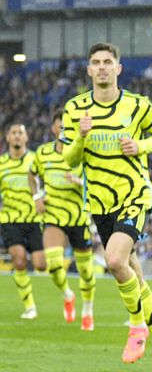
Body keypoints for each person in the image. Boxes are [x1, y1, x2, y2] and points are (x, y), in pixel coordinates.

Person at [60, 42, 152, 372]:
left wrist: (140, 145)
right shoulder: (75, 109)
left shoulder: (138, 106)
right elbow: (68, 158)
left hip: (134, 195)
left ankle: (137, 325)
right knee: (134, 276)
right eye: (95, 62)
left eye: (107, 62)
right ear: (88, 69)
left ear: (118, 68)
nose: (101, 67)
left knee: (113, 260)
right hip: (98, 202)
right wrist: (81, 137)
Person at [28, 112, 97, 330]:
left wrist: (79, 182)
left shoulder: (84, 153)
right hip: (54, 215)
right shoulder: (43, 153)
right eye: (62, 127)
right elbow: (32, 175)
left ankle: (87, 309)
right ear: (54, 129)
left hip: (78, 217)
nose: (65, 130)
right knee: (54, 264)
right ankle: (68, 294)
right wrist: (37, 196)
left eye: (70, 127)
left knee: (86, 271)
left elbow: (96, 181)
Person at [0, 122, 46, 319]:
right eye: (14, 133)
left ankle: (66, 292)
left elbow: (48, 181)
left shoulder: (36, 159)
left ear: (26, 138)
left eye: (21, 132)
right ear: (7, 137)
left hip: (34, 218)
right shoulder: (1, 164)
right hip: (10, 218)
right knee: (18, 260)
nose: (17, 136)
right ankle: (30, 307)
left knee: (40, 265)